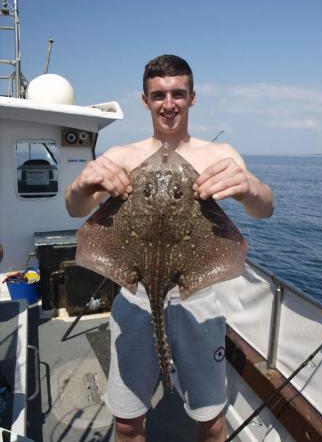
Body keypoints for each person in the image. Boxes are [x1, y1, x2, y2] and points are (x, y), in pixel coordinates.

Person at [65, 54, 274, 442]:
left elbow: (265, 208)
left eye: (178, 93)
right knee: (127, 422)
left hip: (197, 296)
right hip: (135, 296)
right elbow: (76, 208)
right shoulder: (122, 158)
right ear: (145, 100)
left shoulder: (220, 156)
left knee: (211, 421)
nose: (169, 103)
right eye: (159, 95)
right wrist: (80, 187)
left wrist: (249, 188)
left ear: (192, 98)